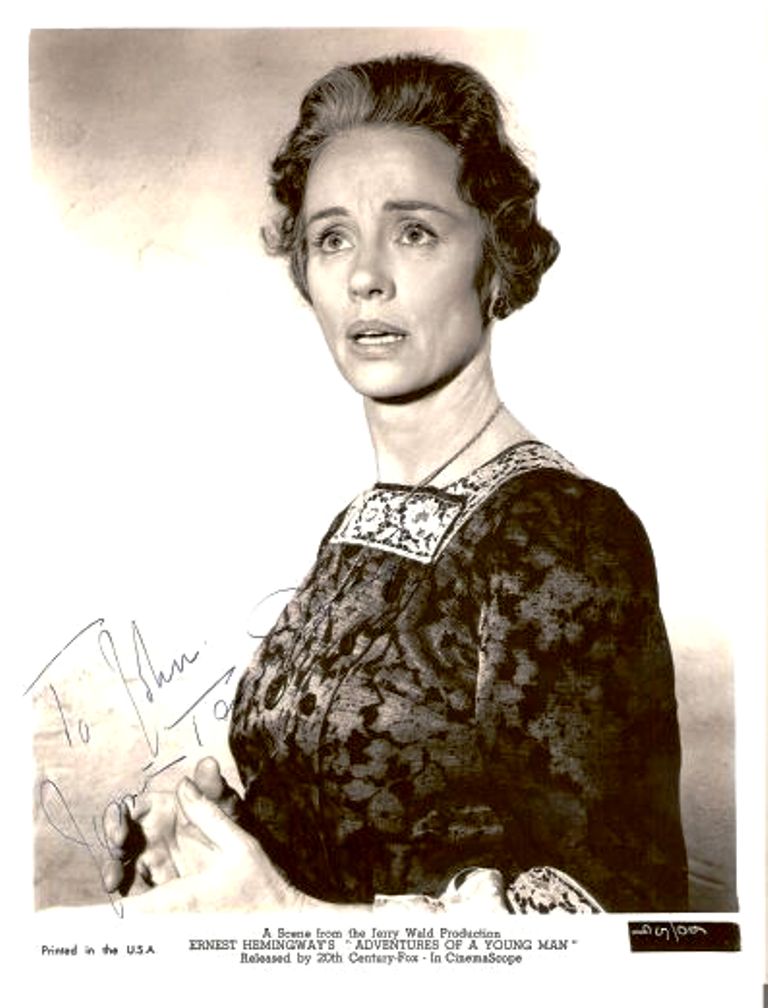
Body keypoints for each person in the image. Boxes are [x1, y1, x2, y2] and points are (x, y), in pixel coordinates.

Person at [102, 52, 688, 914]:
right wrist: (212, 841)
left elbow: (629, 921)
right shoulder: (358, 523)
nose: (365, 275)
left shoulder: (563, 534)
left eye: (414, 231)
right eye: (332, 237)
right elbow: (360, 836)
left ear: (496, 260)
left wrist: (282, 919)